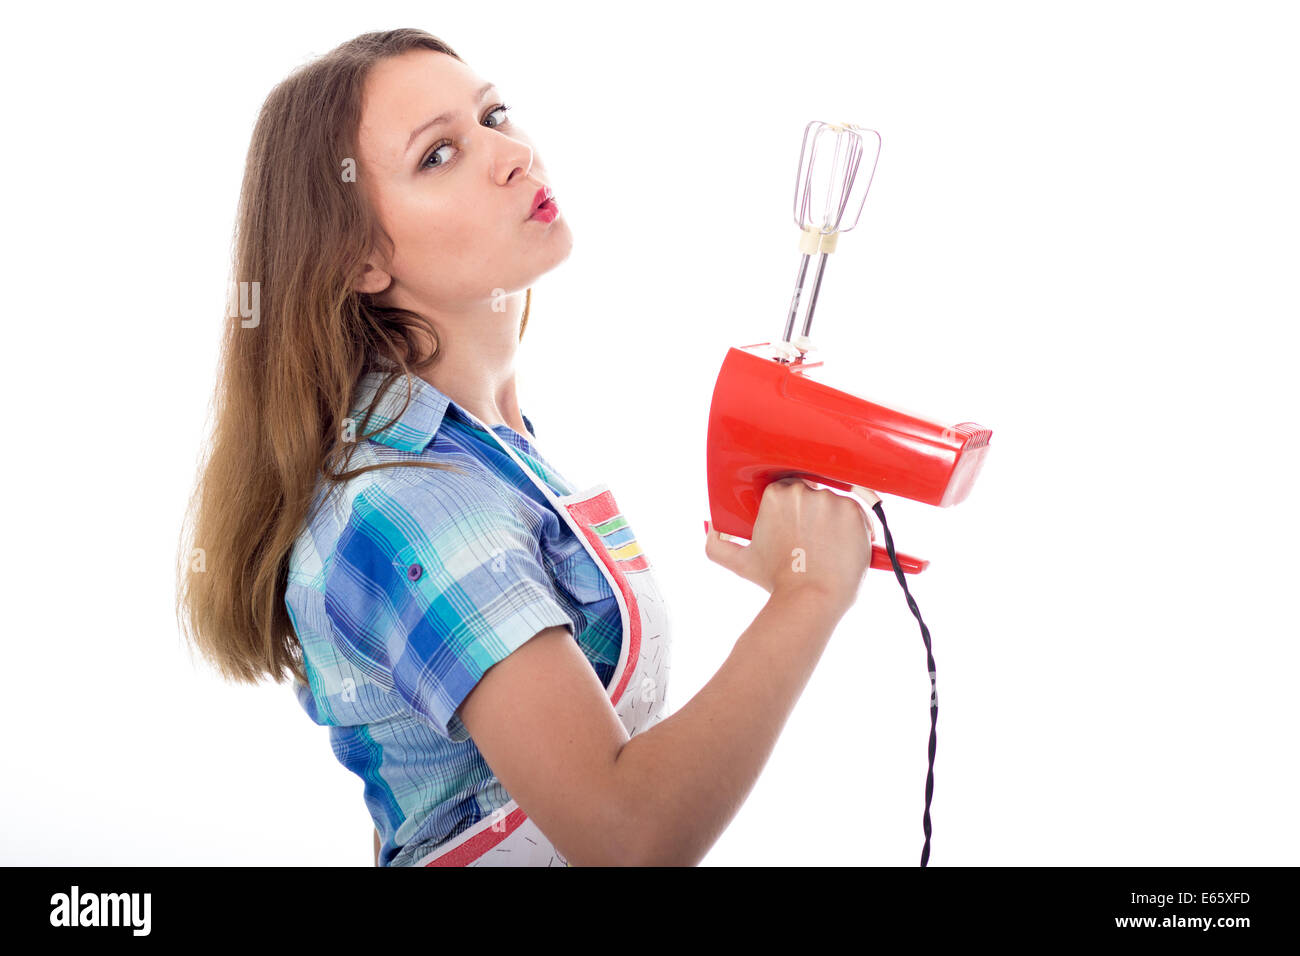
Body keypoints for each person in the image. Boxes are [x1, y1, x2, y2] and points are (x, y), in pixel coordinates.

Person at [175, 27, 875, 867]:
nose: (509, 154)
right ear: (358, 256)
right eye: (438, 155)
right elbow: (626, 835)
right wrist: (806, 600)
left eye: (495, 114)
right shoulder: (410, 498)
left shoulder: (493, 448)